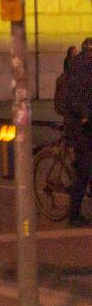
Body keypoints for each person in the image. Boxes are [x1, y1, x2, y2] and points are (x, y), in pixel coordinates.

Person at [63, 37, 92, 226]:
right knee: (84, 170)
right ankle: (73, 215)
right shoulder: (79, 69)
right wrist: (85, 115)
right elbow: (74, 99)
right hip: (80, 126)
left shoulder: (81, 65)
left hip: (85, 122)